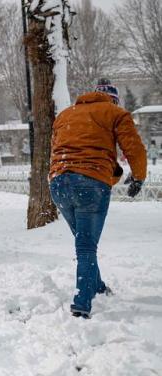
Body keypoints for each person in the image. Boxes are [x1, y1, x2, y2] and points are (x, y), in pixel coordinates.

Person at [49, 79, 147, 319]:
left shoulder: (65, 115)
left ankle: (97, 285)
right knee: (86, 245)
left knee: (84, 241)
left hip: (58, 182)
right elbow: (134, 147)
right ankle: (82, 302)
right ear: (113, 99)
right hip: (90, 183)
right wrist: (139, 178)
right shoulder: (115, 113)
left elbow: (57, 148)